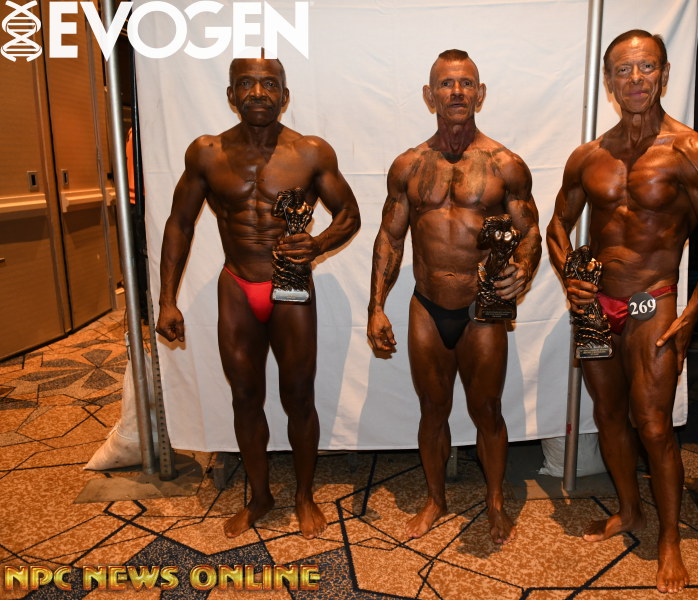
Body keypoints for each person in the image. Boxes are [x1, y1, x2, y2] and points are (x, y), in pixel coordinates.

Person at [546, 31, 698, 593]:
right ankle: (630, 511)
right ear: (609, 82)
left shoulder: (691, 151)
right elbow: (557, 224)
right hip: (597, 307)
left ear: (663, 73)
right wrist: (569, 275)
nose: (635, 79)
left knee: (653, 425)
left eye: (646, 67)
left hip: (651, 304)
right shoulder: (588, 156)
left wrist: (692, 314)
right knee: (608, 415)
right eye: (623, 70)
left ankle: (670, 540)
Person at [156, 57, 360, 539]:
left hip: (291, 287)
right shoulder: (206, 152)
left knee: (299, 396)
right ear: (231, 95)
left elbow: (349, 214)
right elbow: (179, 224)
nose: (258, 92)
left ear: (285, 96)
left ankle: (304, 495)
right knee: (245, 397)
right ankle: (261, 496)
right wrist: (166, 299)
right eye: (245, 83)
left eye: (270, 84)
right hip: (237, 284)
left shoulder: (310, 152)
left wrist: (317, 244)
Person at [367, 49, 541, 545]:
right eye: (446, 83)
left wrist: (524, 269)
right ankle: (435, 499)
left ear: (480, 94)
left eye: (466, 83)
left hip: (481, 309)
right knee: (432, 409)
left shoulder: (506, 164)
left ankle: (495, 502)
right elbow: (390, 237)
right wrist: (376, 307)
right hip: (426, 306)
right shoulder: (408, 165)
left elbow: (530, 231)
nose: (457, 91)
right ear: (430, 95)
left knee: (487, 411)